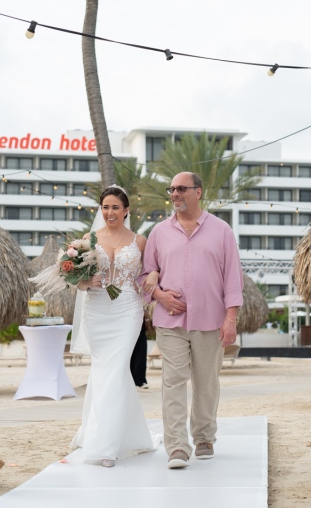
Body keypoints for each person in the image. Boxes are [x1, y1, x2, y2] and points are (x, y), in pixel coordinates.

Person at [140, 172, 243, 469]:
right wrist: (160, 296)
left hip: (211, 320)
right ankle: (176, 446)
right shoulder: (159, 232)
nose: (175, 194)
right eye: (172, 189)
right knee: (172, 382)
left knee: (207, 382)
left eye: (181, 189)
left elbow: (232, 277)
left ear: (198, 192)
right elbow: (145, 275)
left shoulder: (222, 231)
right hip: (170, 321)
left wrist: (231, 318)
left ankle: (204, 437)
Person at [70, 186, 154, 468]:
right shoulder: (87, 240)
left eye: (115, 207)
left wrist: (154, 277)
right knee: (104, 370)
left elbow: (147, 275)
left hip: (127, 310)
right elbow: (75, 278)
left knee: (117, 369)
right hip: (96, 311)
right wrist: (85, 282)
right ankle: (129, 435)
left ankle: (105, 446)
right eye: (105, 207)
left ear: (126, 210)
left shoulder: (140, 241)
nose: (109, 213)